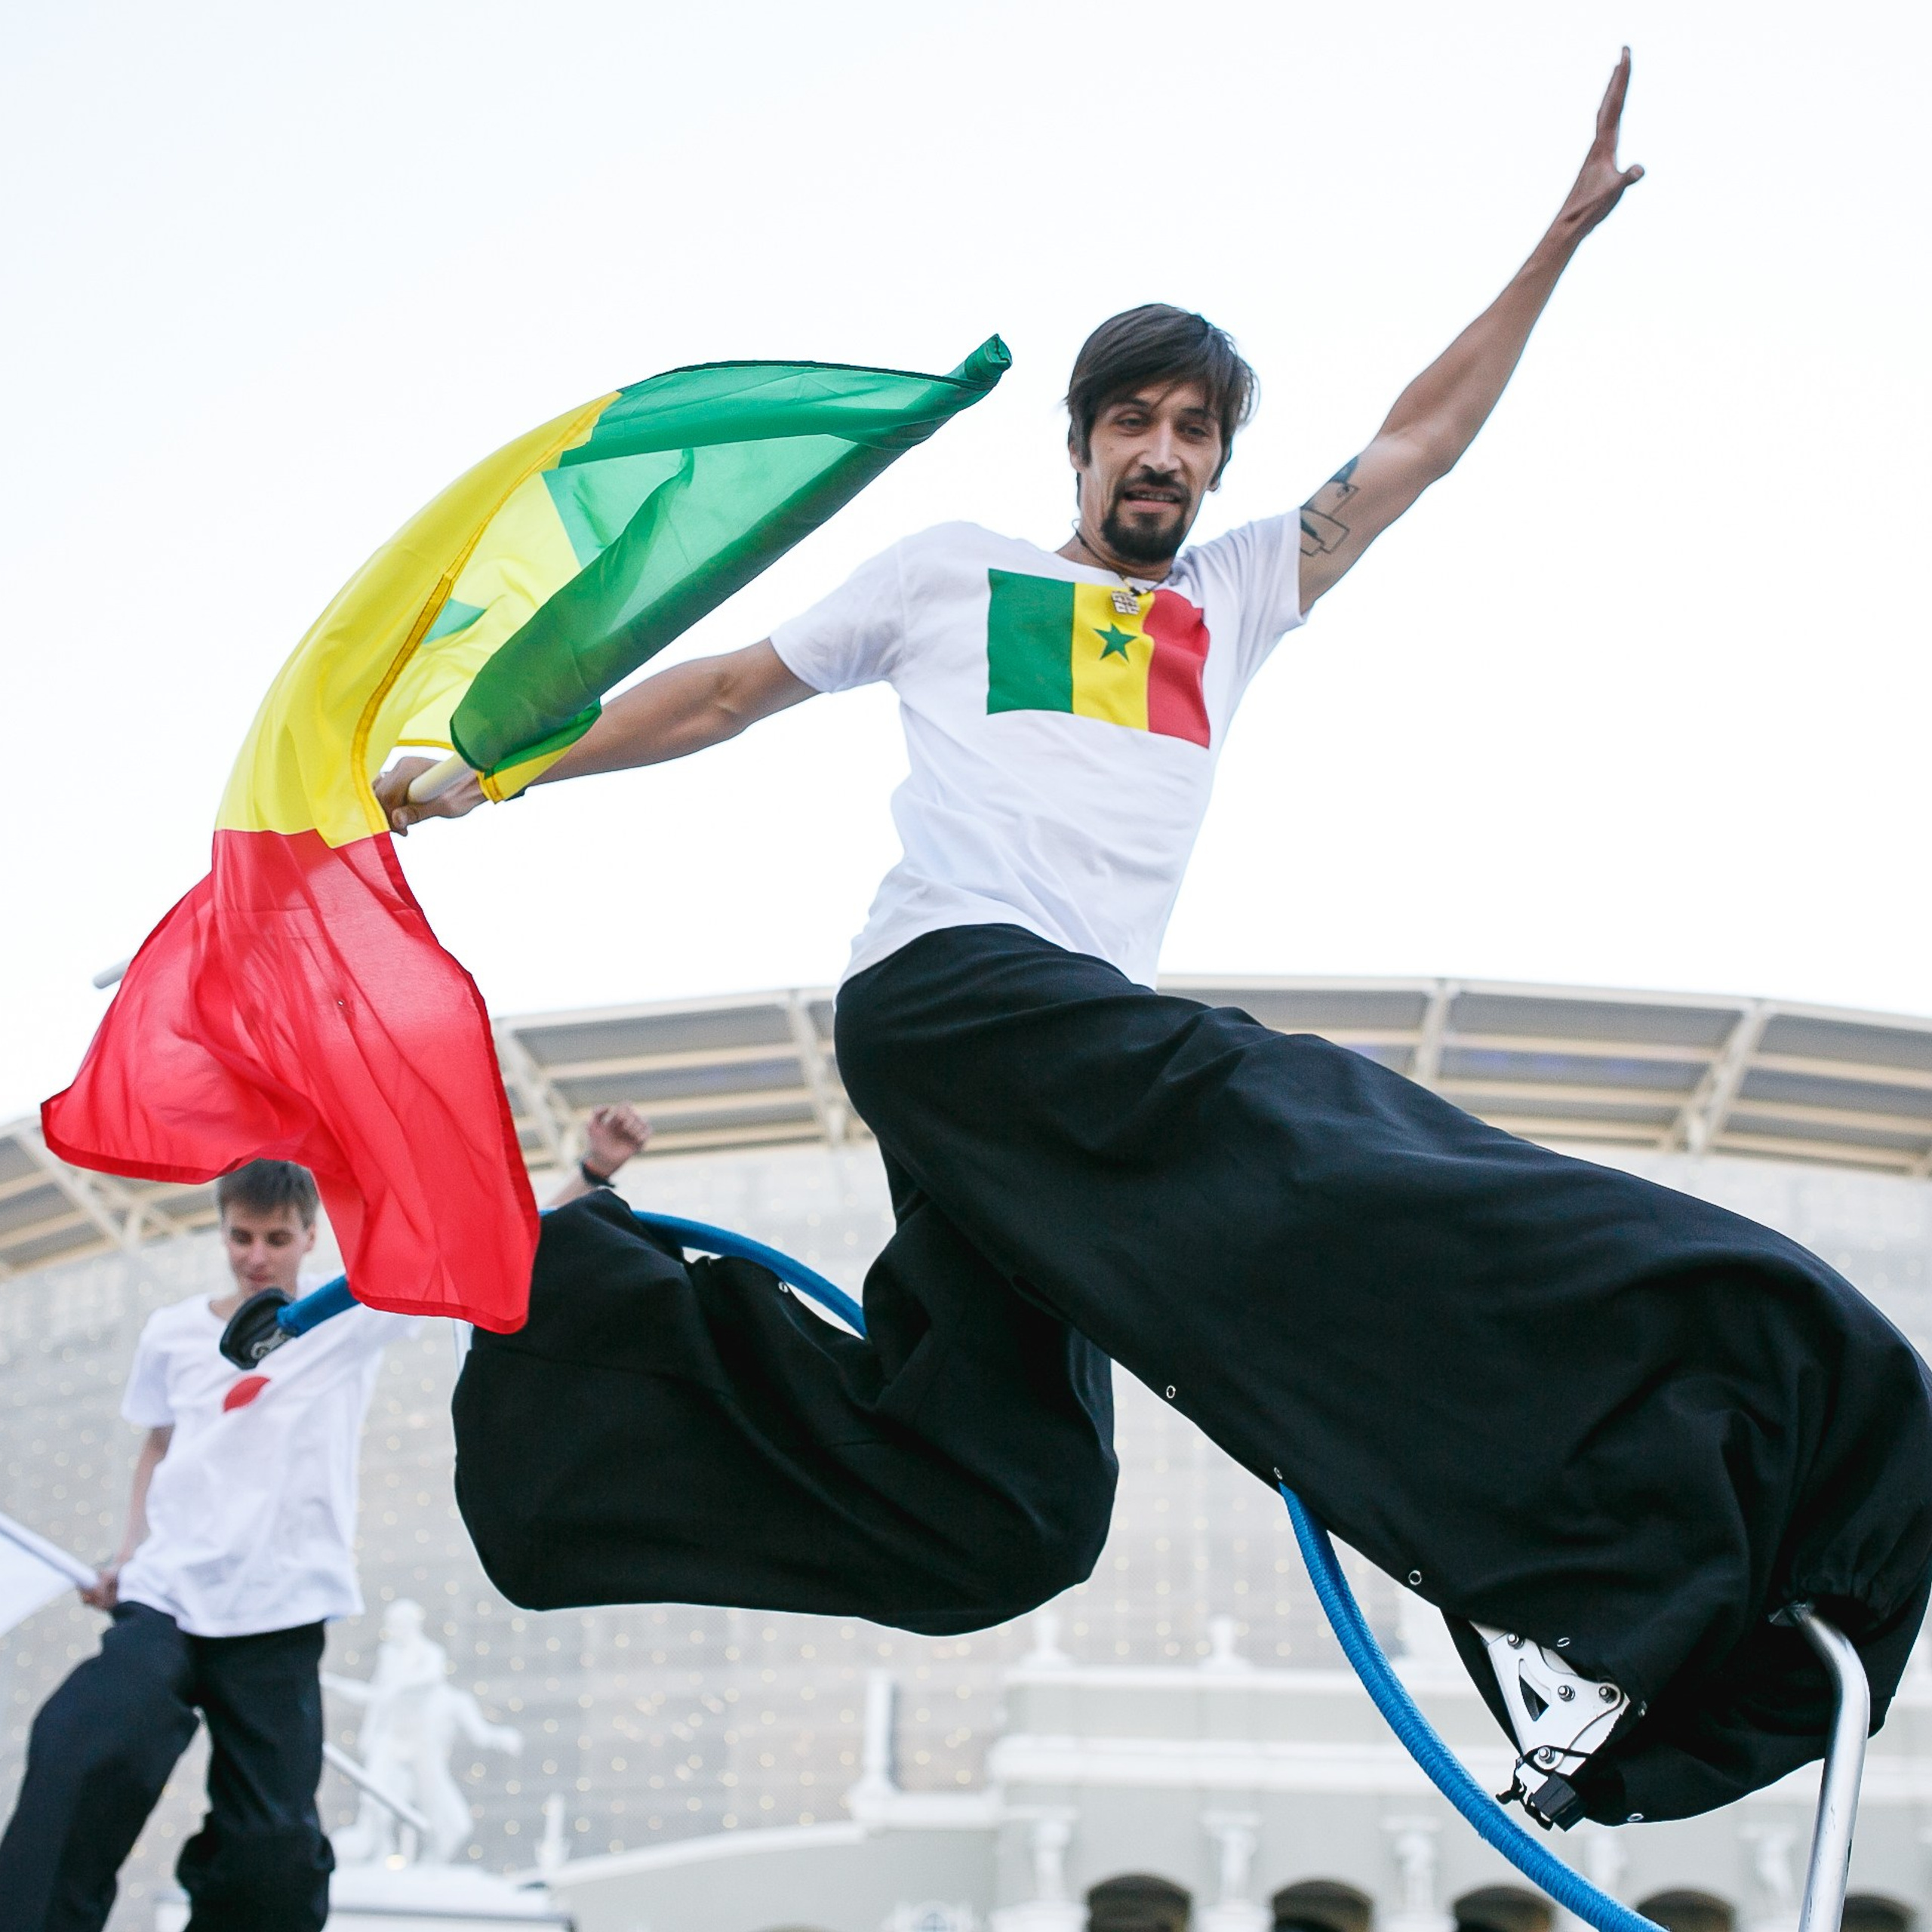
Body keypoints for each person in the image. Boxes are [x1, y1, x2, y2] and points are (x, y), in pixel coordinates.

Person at [381, 54, 1932, 1830]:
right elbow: (724, 692)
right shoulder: (952, 572)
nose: (1165, 454)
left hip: (1032, 1079)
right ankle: (1570, 1563)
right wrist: (494, 766)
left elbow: (1414, 442)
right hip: (959, 997)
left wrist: (1554, 242)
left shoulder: (1234, 594)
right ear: (1084, 436)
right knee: (1316, 1135)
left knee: (1008, 1505)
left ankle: (579, 1316)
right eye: (1138, 421)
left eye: (1196, 431)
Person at [0, 1161, 410, 1932]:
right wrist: (128, 1554)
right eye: (242, 1237)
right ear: (222, 1230)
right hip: (167, 1596)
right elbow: (158, 1447)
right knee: (85, 1742)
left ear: (309, 1237)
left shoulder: (348, 1314)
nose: (258, 1256)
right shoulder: (172, 1332)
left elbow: (479, 1257)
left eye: (277, 1239)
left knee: (274, 1853)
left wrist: (591, 1172)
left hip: (279, 1614)